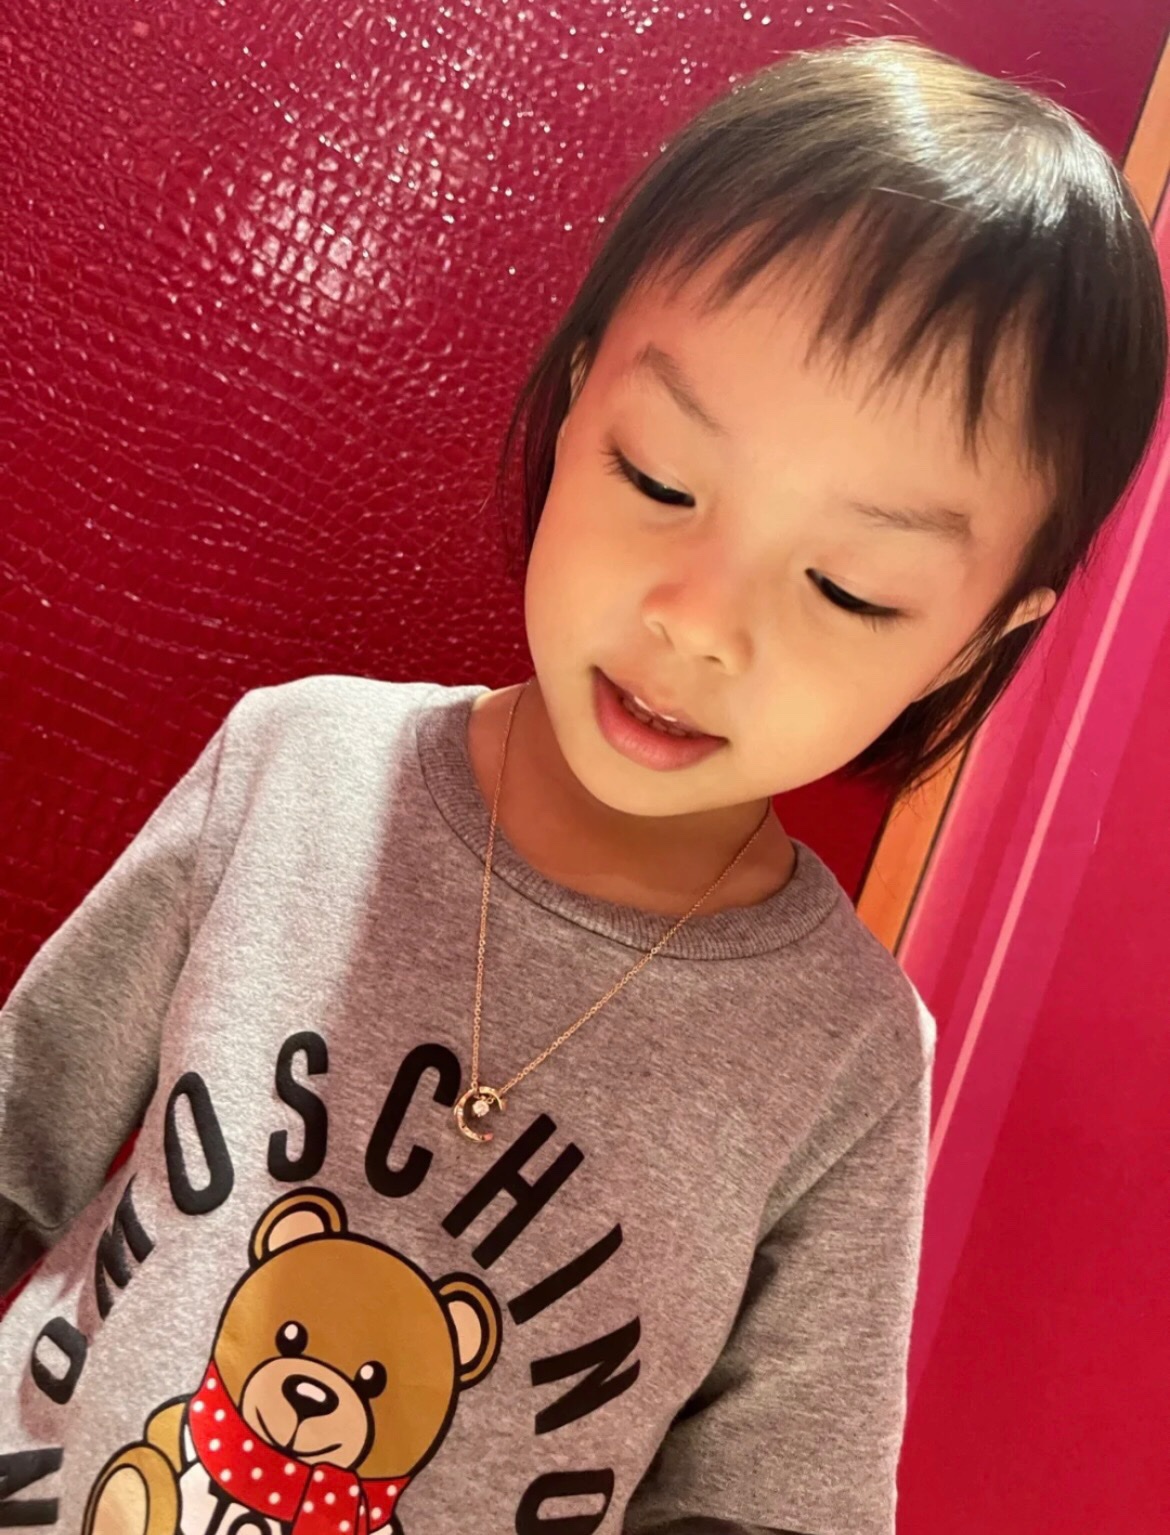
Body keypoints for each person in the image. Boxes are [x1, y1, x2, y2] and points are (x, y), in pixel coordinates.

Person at [0, 32, 1164, 1535]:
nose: (699, 622)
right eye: (659, 480)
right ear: (572, 399)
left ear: (978, 633)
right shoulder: (294, 760)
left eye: (849, 587)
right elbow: (19, 1139)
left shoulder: (845, 1063)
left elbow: (768, 1506)